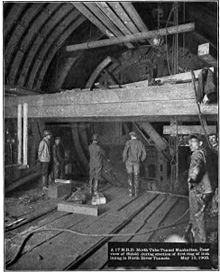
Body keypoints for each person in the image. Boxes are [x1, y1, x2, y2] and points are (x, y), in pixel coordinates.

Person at [187, 134, 213, 243]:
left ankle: (200, 245)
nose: (190, 145)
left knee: (197, 217)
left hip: (198, 191)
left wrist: (191, 182)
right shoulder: (204, 153)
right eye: (189, 142)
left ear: (200, 143)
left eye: (193, 142)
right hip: (205, 190)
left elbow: (196, 170)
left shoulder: (196, 154)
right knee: (199, 217)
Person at [122, 131, 146, 197]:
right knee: (136, 176)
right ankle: (136, 193)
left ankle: (130, 193)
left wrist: (124, 159)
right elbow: (144, 153)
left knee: (129, 176)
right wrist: (141, 159)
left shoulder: (128, 142)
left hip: (129, 162)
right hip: (136, 162)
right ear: (136, 136)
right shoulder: (139, 143)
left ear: (131, 136)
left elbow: (125, 152)